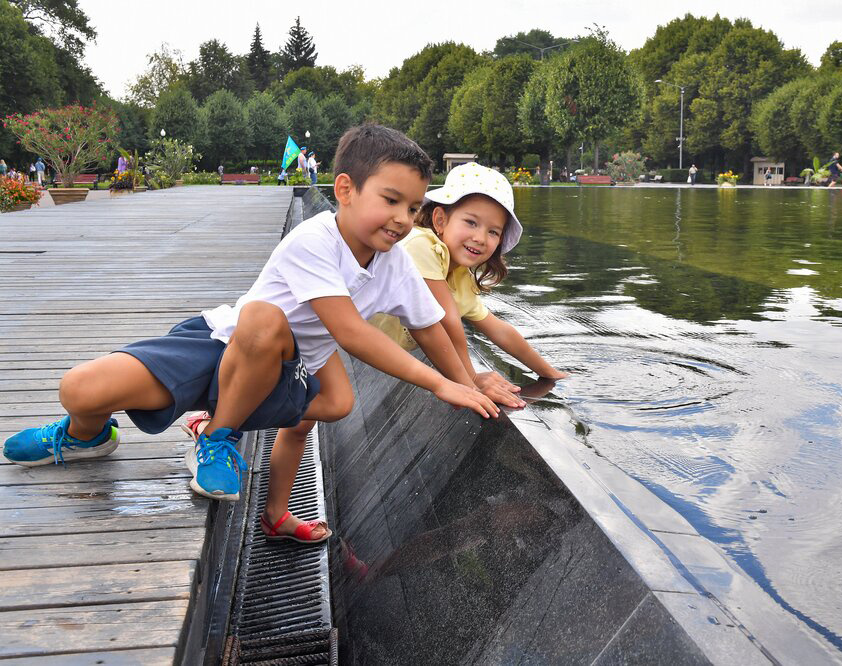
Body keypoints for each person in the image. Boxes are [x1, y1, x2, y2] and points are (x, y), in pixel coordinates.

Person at [3, 125, 499, 546]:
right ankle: (84, 437)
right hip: (218, 343)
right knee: (79, 389)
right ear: (344, 189)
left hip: (279, 369)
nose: (401, 219)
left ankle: (219, 436)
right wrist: (437, 384)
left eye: (412, 208)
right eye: (390, 200)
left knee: (328, 394)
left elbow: (430, 325)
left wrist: (469, 384)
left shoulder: (395, 263)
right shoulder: (314, 241)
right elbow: (348, 331)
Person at [370, 162, 567, 406]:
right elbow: (447, 319)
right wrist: (471, 381)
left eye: (493, 232)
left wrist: (550, 374)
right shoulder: (421, 245)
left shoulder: (461, 275)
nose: (480, 238)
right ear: (440, 220)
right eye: (471, 222)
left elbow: (499, 329)